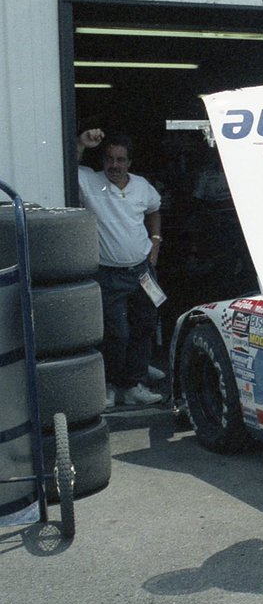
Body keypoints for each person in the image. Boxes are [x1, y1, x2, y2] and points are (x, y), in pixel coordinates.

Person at [76, 129, 165, 408]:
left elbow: (154, 210)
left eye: (121, 159)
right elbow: (66, 167)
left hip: (142, 271)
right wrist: (81, 143)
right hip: (108, 273)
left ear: (129, 162)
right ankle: (111, 384)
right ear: (102, 160)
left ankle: (133, 384)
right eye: (109, 159)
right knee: (116, 334)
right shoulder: (90, 182)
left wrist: (156, 244)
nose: (114, 165)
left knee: (145, 324)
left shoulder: (142, 185)